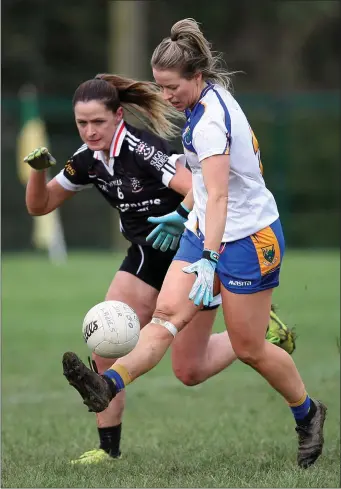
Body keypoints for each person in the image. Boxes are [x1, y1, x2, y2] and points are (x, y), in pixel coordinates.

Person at [25, 72, 295, 464]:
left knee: (190, 370)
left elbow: (193, 188)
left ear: (118, 116)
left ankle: (258, 335)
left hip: (189, 251)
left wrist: (177, 217)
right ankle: (107, 448)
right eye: (82, 123)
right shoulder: (87, 161)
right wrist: (37, 172)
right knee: (104, 334)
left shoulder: (141, 149)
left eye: (98, 121)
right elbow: (40, 206)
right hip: (146, 255)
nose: (89, 131)